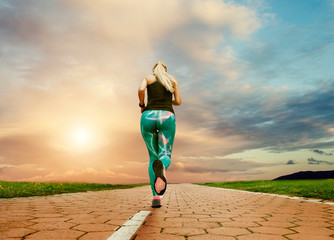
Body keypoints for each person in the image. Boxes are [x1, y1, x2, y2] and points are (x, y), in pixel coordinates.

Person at [138, 60, 181, 208]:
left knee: (152, 157)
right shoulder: (172, 80)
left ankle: (155, 196)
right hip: (167, 117)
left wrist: (142, 105)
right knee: (164, 156)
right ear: (166, 70)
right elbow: (179, 101)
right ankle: (162, 166)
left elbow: (141, 90)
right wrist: (168, 101)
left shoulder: (147, 78)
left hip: (148, 116)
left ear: (153, 69)